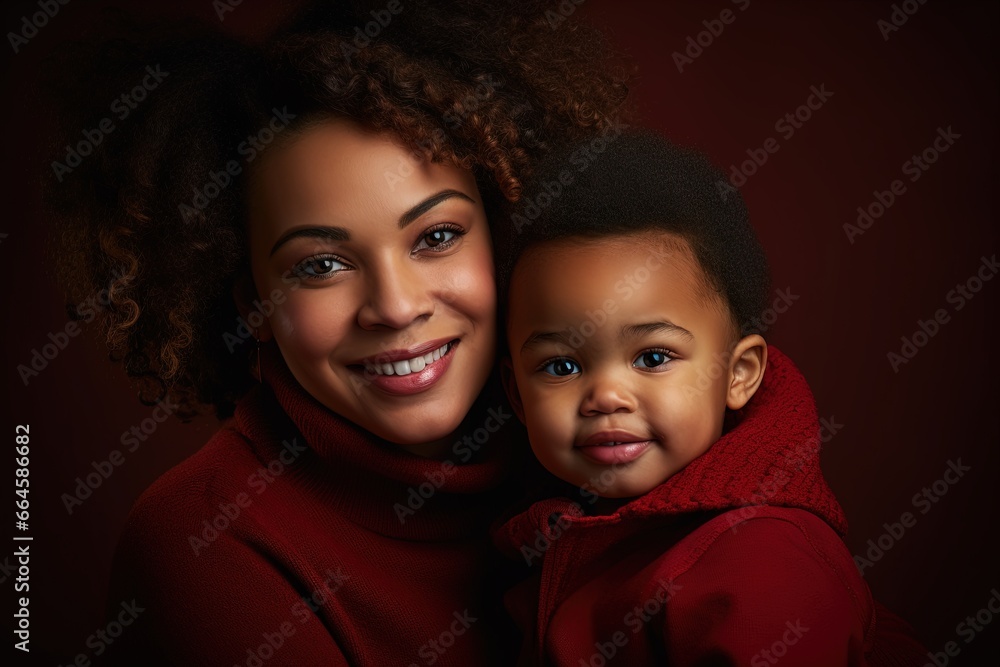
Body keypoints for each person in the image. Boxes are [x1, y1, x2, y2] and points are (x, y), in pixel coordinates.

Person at [43, 1, 628, 664]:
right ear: (251, 302)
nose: (396, 306)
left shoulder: (598, 423)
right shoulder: (201, 545)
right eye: (322, 265)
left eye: (436, 237)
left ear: (505, 237)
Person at [493, 131, 928, 665]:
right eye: (562, 366)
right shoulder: (549, 536)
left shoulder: (763, 562)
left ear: (738, 374)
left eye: (653, 358)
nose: (605, 395)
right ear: (516, 395)